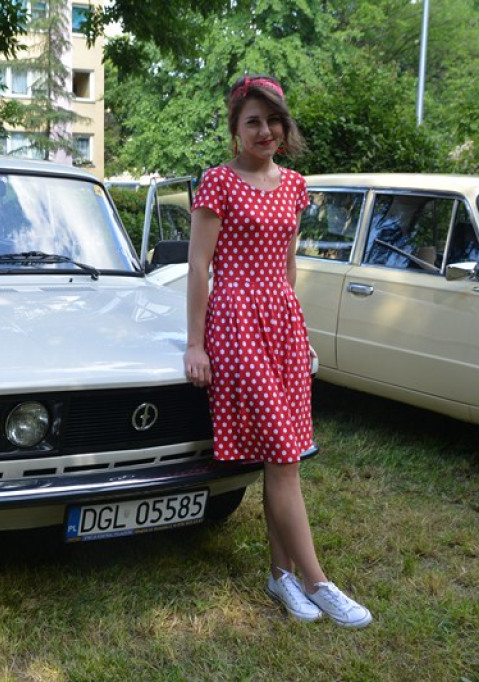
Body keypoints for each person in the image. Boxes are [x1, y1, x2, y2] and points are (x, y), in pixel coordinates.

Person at [184, 74, 372, 628]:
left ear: (284, 127)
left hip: (282, 322)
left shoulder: (294, 185)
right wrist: (196, 344)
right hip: (236, 322)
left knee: (279, 456)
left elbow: (288, 263)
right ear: (235, 129)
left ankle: (280, 575)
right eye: (253, 121)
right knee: (286, 458)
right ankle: (318, 581)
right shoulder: (218, 183)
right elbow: (199, 268)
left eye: (273, 120)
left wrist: (300, 328)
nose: (265, 130)